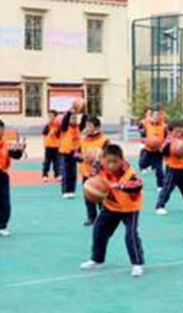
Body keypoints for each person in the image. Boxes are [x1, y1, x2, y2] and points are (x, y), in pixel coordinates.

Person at [80, 144, 145, 277]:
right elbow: (92, 178)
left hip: (129, 208)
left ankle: (137, 264)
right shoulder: (100, 167)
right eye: (108, 161)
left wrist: (121, 185)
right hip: (111, 206)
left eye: (115, 162)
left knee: (131, 235)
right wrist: (92, 170)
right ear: (103, 160)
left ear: (121, 160)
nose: (111, 165)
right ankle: (97, 259)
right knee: (99, 229)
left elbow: (138, 184)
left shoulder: (128, 172)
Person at [155, 124, 183, 215]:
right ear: (174, 135)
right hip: (172, 169)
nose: (178, 135)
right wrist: (169, 146)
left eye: (180, 134)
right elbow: (163, 153)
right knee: (167, 188)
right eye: (176, 134)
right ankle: (159, 206)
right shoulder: (170, 144)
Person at [77, 117, 109, 226]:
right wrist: (83, 157)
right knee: (88, 197)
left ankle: (103, 218)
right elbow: (76, 154)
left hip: (100, 175)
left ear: (97, 127)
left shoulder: (104, 140)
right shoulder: (82, 140)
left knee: (101, 196)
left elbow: (108, 156)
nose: (87, 128)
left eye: (90, 126)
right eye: (86, 126)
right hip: (86, 173)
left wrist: (97, 159)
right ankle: (91, 218)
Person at [58, 109, 86, 199]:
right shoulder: (65, 128)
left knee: (73, 174)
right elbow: (65, 121)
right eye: (72, 118)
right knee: (66, 173)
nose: (74, 120)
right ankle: (65, 191)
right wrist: (69, 112)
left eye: (75, 118)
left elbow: (84, 122)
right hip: (66, 153)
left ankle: (71, 191)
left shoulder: (78, 128)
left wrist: (84, 112)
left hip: (74, 154)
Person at [138, 109, 167, 190]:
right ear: (152, 117)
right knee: (142, 164)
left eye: (157, 116)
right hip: (148, 149)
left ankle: (160, 185)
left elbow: (167, 137)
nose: (156, 117)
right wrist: (144, 138)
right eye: (154, 115)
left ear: (159, 117)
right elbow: (141, 130)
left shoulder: (164, 126)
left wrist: (163, 145)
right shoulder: (147, 124)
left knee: (159, 170)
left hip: (158, 151)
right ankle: (149, 165)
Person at [41, 110, 61, 182]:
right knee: (47, 162)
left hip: (56, 146)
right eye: (49, 116)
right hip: (48, 146)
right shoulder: (47, 125)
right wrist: (48, 126)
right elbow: (44, 133)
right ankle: (45, 175)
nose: (50, 117)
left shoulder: (58, 126)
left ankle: (57, 175)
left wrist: (55, 132)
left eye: (52, 116)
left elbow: (59, 135)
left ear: (55, 117)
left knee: (57, 162)